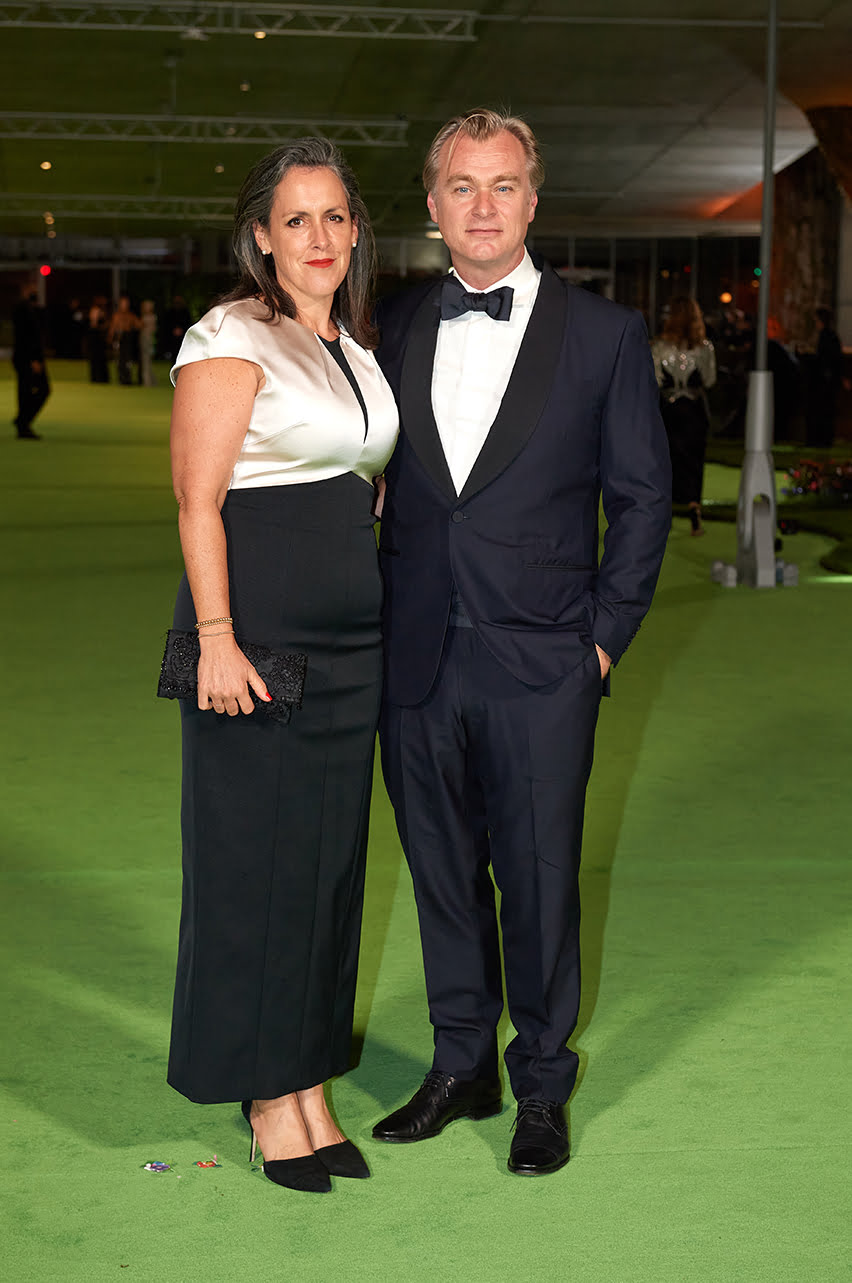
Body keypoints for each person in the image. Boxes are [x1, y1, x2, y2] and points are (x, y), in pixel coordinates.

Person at [371, 109, 671, 1176]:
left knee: (539, 879)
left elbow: (643, 499)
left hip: (545, 660)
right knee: (442, 870)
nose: (484, 205)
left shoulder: (603, 335)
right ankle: (463, 1063)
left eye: (503, 185)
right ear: (433, 203)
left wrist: (601, 643)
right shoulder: (394, 323)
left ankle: (542, 1079)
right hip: (413, 658)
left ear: (533, 201)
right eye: (462, 185)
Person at [167, 139, 398, 1194]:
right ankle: (266, 1095)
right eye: (296, 219)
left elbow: (364, 482)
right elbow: (199, 499)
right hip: (258, 642)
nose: (319, 237)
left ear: (357, 232)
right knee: (257, 869)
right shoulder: (229, 332)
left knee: (328, 870)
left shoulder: (353, 343)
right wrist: (216, 635)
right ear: (262, 234)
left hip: (352, 650)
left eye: (335, 217)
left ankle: (310, 1082)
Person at [651, 296, 716, 535]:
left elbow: (654, 379)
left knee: (665, 461)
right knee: (694, 461)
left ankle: (662, 517)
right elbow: (710, 380)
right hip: (694, 410)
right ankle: (694, 511)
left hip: (668, 411)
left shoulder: (659, 347)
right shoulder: (705, 348)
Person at [12, 286, 50, 440]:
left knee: (26, 391)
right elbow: (26, 337)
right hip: (28, 358)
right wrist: (34, 359)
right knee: (36, 390)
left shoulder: (26, 309)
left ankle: (22, 421)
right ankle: (23, 422)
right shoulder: (23, 310)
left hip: (25, 357)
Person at [806, 306, 844, 448]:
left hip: (823, 383)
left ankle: (819, 440)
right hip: (827, 382)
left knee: (821, 412)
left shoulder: (826, 336)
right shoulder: (830, 336)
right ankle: (822, 439)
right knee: (825, 412)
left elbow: (826, 360)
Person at [108, 294, 140, 385]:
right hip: (120, 339)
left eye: (126, 303)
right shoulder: (117, 316)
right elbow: (113, 328)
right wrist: (110, 338)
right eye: (123, 303)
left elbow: (139, 325)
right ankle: (121, 379)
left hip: (128, 339)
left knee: (128, 360)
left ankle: (128, 379)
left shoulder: (131, 315)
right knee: (120, 360)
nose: (124, 305)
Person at [87, 297, 110, 383]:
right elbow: (94, 324)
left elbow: (105, 324)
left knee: (101, 358)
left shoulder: (103, 311)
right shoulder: (95, 309)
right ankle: (96, 378)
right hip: (95, 336)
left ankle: (101, 378)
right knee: (95, 358)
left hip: (100, 337)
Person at [139, 299, 157, 386]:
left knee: (146, 361)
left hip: (147, 340)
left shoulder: (148, 318)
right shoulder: (151, 317)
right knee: (147, 362)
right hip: (147, 340)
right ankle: (150, 381)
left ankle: (147, 381)